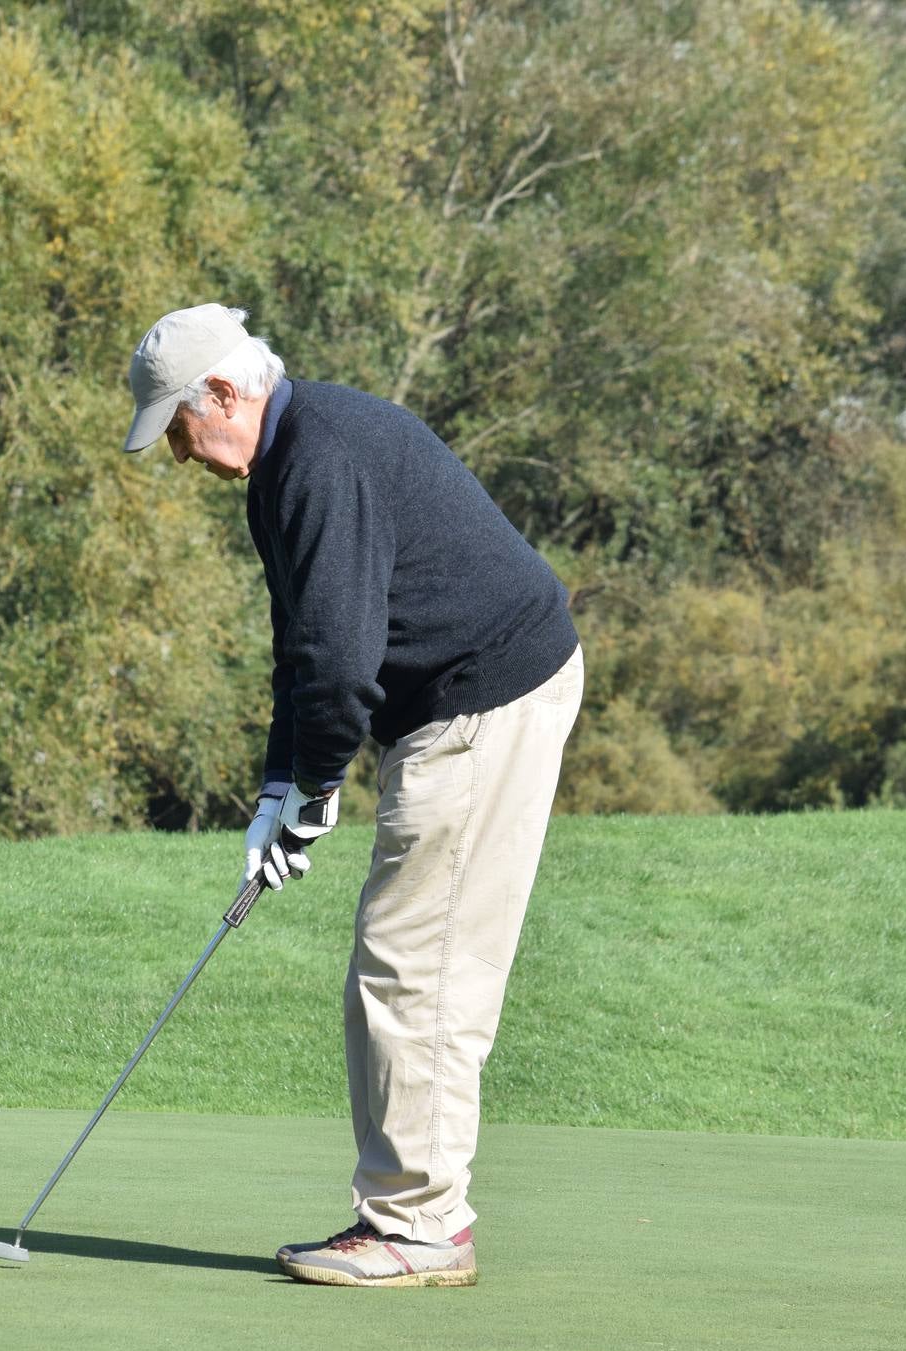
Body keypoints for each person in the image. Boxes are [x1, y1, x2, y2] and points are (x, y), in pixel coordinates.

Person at [122, 303, 583, 1288]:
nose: (178, 454)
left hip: (482, 693)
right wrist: (278, 788)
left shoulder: (320, 459)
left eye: (177, 428)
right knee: (407, 957)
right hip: (456, 694)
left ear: (225, 394)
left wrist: (321, 786)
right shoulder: (280, 467)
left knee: (418, 962)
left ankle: (418, 1227)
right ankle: (413, 1215)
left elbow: (341, 661)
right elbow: (302, 652)